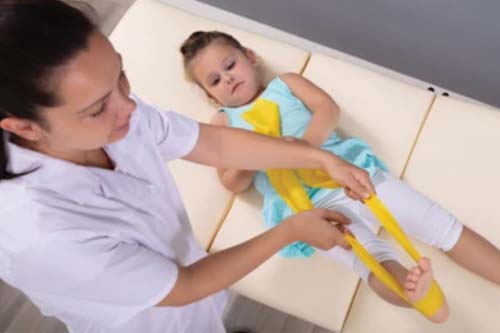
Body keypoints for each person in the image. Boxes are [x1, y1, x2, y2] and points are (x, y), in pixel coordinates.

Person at [0, 1, 378, 332]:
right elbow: (184, 287)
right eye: (98, 108)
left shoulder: (113, 112)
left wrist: (320, 156)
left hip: (196, 294)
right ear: (25, 127)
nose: (128, 106)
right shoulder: (41, 234)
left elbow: (212, 143)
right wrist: (290, 230)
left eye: (121, 76)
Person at [179, 30, 500, 323]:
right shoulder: (223, 123)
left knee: (439, 225)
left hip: (350, 175)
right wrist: (256, 155)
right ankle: (421, 298)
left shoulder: (286, 84)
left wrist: (304, 148)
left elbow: (327, 108)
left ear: (250, 56)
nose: (227, 79)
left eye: (230, 65)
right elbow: (231, 183)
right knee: (370, 261)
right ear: (211, 96)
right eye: (215, 81)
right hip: (308, 212)